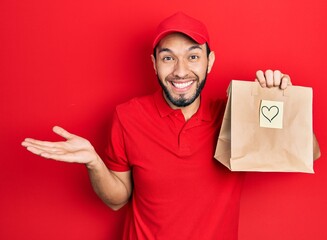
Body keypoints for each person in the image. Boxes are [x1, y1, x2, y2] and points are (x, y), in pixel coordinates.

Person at [21, 12, 300, 239]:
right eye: (168, 58)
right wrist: (94, 163)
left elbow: (303, 151)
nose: (180, 70)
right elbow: (117, 199)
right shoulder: (127, 116)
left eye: (193, 56)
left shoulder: (236, 114)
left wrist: (278, 100)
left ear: (209, 62)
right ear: (154, 64)